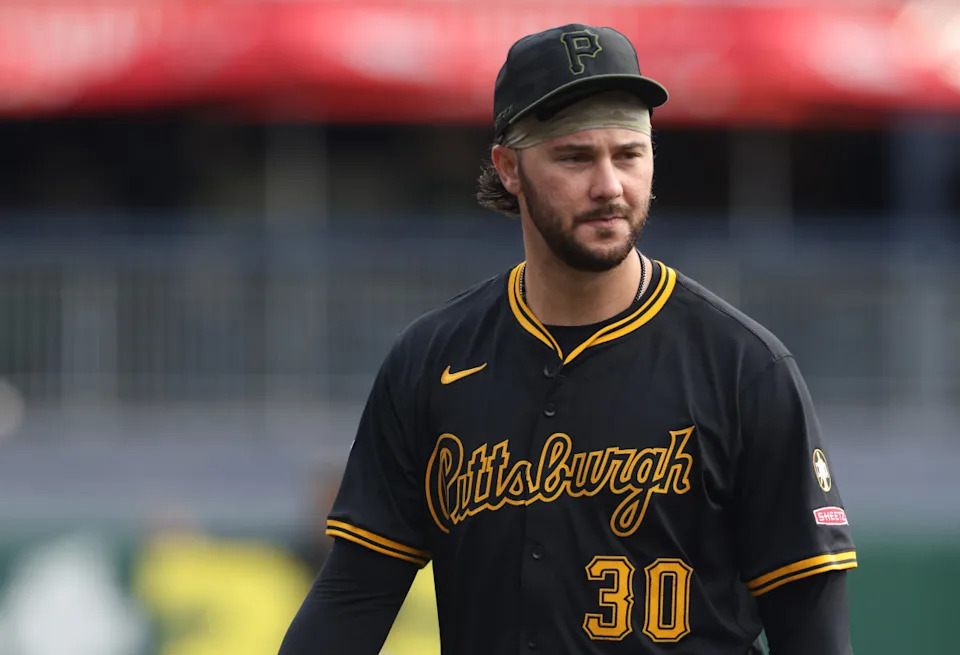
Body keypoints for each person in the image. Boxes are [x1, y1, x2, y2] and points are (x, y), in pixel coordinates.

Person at [278, 23, 856, 655]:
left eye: (629, 154)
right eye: (576, 157)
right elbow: (355, 593)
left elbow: (812, 626)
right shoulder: (432, 361)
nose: (609, 185)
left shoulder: (745, 370)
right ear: (509, 168)